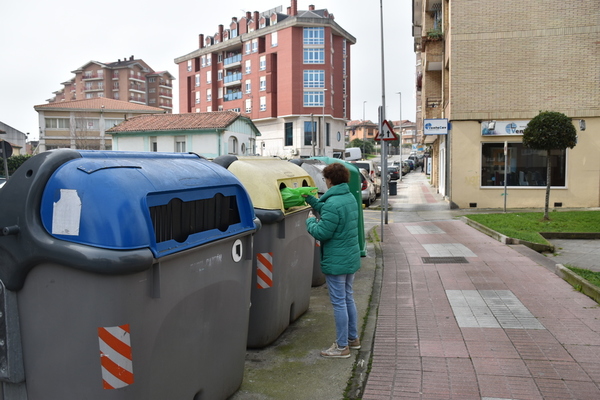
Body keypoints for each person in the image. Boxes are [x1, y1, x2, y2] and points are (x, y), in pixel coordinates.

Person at [303, 162, 361, 359]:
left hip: (336, 261)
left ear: (329, 180)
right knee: (348, 297)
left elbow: (322, 232)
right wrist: (312, 201)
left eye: (325, 178)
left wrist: (310, 220)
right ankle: (353, 339)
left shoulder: (333, 203)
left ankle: (342, 346)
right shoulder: (349, 197)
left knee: (339, 302)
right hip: (350, 257)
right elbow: (332, 213)